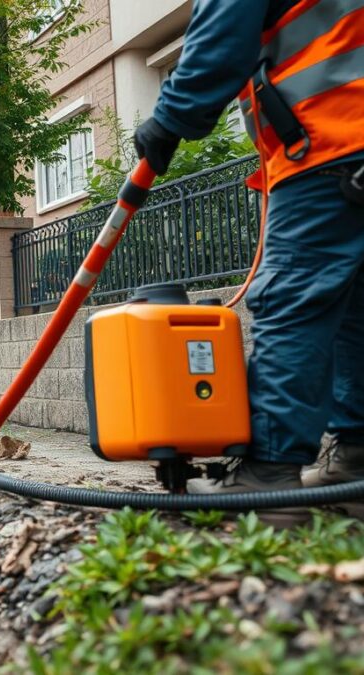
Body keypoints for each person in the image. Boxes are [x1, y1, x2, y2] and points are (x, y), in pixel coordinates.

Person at [132, 0, 364, 496]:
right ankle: (357, 457)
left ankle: (269, 473)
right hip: (346, 139)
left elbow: (223, 31)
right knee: (355, 310)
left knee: (291, 301)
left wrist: (170, 119)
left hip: (333, 144)